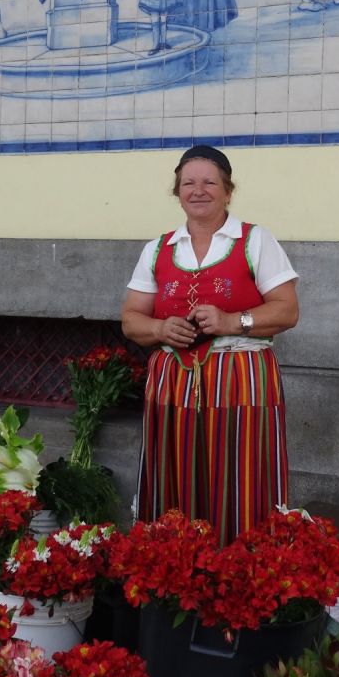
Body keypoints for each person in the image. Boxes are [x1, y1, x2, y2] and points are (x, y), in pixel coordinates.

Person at [120, 145, 300, 543]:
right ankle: (173, 562)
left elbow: (287, 310)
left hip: (240, 377)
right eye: (188, 183)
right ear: (177, 191)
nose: (198, 191)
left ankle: (243, 561)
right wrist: (160, 329)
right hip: (173, 381)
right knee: (173, 472)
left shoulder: (255, 240)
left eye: (209, 182)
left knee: (242, 474)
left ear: (228, 191)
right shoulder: (158, 248)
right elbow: (131, 319)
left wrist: (232, 321)